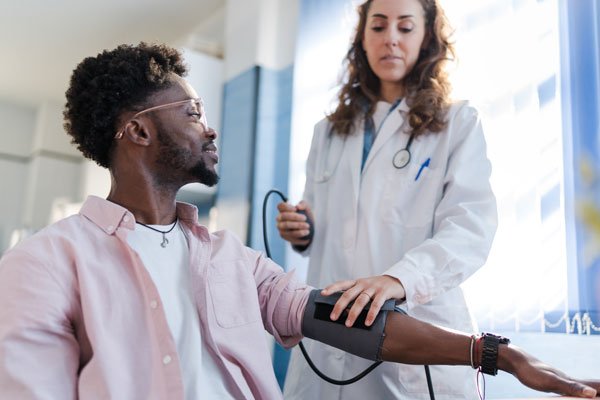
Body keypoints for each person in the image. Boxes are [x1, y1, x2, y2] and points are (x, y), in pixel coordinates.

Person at [0, 42, 598, 400]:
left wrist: (497, 355)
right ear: (136, 130)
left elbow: (350, 320)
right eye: (193, 110)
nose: (209, 127)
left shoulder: (230, 258)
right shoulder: (45, 263)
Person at [277, 0, 498, 399]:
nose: (390, 39)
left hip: (413, 332)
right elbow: (320, 220)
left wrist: (400, 279)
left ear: (427, 37)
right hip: (329, 337)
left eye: (405, 27)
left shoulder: (457, 123)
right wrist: (302, 232)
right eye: (378, 27)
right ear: (362, 38)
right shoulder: (326, 133)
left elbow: (470, 229)